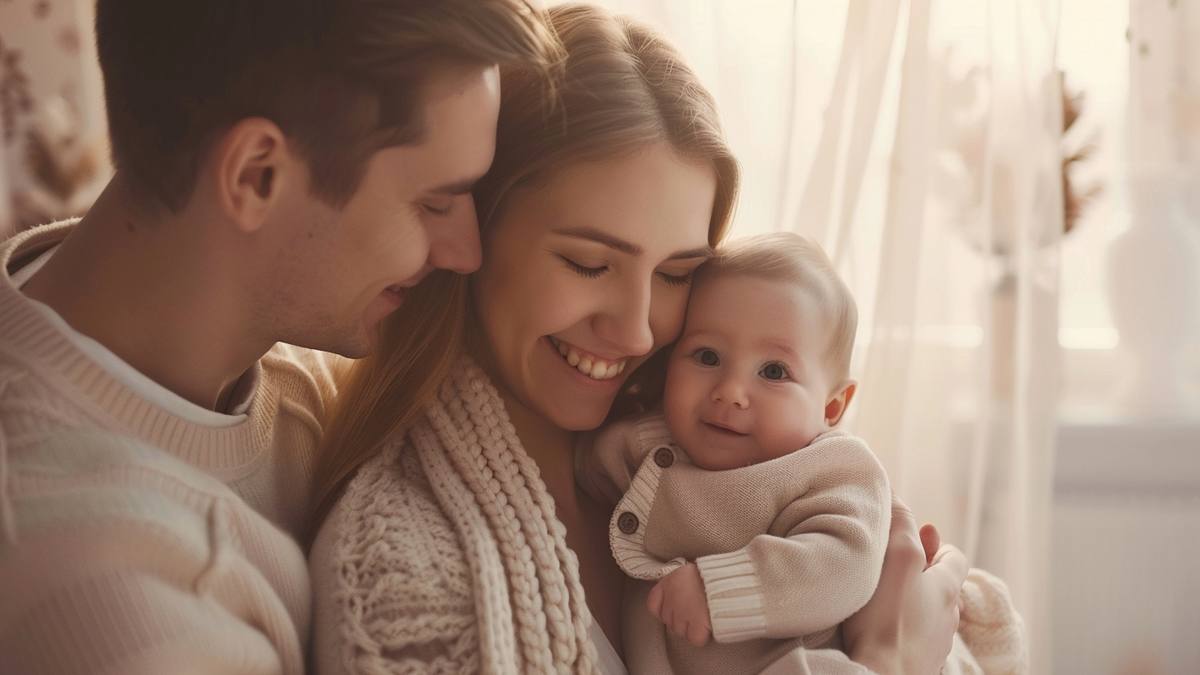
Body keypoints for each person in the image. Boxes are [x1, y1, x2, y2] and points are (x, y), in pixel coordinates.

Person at [309, 5, 973, 674]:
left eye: (677, 273)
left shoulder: (720, 451)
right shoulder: (403, 568)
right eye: (588, 264)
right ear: (473, 234)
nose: (635, 329)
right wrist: (895, 658)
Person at [0, 1, 560, 673]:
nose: (467, 251)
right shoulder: (122, 616)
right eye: (434, 203)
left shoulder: (291, 369)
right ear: (256, 175)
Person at [576, 232, 1027, 674]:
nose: (731, 391)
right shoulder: (646, 444)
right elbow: (583, 468)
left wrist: (719, 591)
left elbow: (842, 563)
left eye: (773, 371)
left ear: (831, 407)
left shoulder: (833, 469)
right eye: (707, 356)